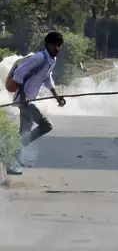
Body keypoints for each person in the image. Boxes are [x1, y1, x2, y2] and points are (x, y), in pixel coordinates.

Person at [9, 32, 67, 175]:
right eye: (55, 45)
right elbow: (18, 74)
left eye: (59, 45)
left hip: (30, 99)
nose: (57, 48)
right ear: (48, 45)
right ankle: (14, 151)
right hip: (24, 101)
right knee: (46, 125)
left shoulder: (51, 61)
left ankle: (11, 159)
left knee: (24, 130)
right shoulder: (38, 58)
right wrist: (23, 96)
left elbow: (47, 78)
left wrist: (56, 96)